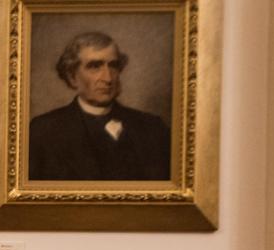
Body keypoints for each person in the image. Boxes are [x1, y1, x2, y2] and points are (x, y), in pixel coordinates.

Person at [28, 31, 170, 181]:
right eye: (95, 66)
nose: (108, 78)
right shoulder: (43, 131)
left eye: (113, 66)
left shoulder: (154, 128)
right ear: (72, 76)